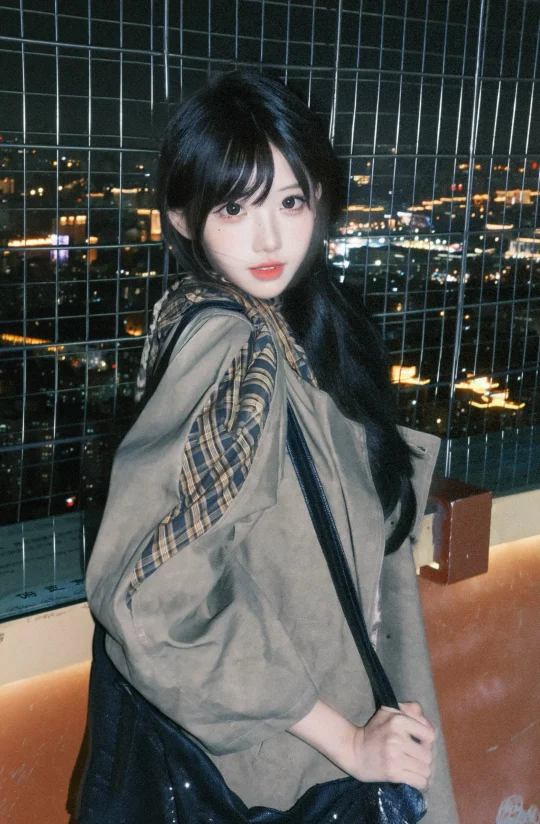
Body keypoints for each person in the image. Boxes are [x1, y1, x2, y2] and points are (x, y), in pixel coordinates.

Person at [81, 70, 458, 822]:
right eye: (234, 206)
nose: (269, 238)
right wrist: (349, 742)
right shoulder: (235, 352)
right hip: (287, 771)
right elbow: (153, 604)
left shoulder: (297, 324)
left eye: (290, 201)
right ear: (183, 216)